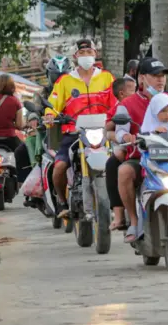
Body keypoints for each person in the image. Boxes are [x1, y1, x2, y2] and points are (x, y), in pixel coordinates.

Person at [115, 57, 168, 240]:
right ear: (142, 78)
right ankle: (133, 221)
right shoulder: (127, 104)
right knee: (124, 171)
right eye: (155, 76)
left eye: (162, 76)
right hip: (143, 158)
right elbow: (119, 132)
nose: (160, 80)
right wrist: (127, 137)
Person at [44, 39, 116, 218]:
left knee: (120, 164)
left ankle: (119, 206)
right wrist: (49, 115)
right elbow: (53, 105)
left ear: (95, 54)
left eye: (89, 52)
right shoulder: (64, 81)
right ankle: (61, 203)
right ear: (75, 56)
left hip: (103, 132)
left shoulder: (107, 77)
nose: (86, 56)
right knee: (59, 167)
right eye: (82, 53)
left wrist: (119, 116)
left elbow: (116, 103)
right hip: (74, 132)